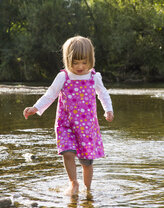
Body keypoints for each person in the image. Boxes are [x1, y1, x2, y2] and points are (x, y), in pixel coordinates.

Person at [23, 36, 114, 196]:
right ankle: (73, 183)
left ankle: (88, 191)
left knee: (86, 162)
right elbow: (50, 95)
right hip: (66, 124)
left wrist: (108, 110)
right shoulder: (63, 77)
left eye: (84, 62)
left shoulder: (94, 77)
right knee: (67, 153)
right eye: (75, 62)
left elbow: (103, 94)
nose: (80, 66)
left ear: (91, 60)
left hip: (87, 127)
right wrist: (35, 108)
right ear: (67, 60)